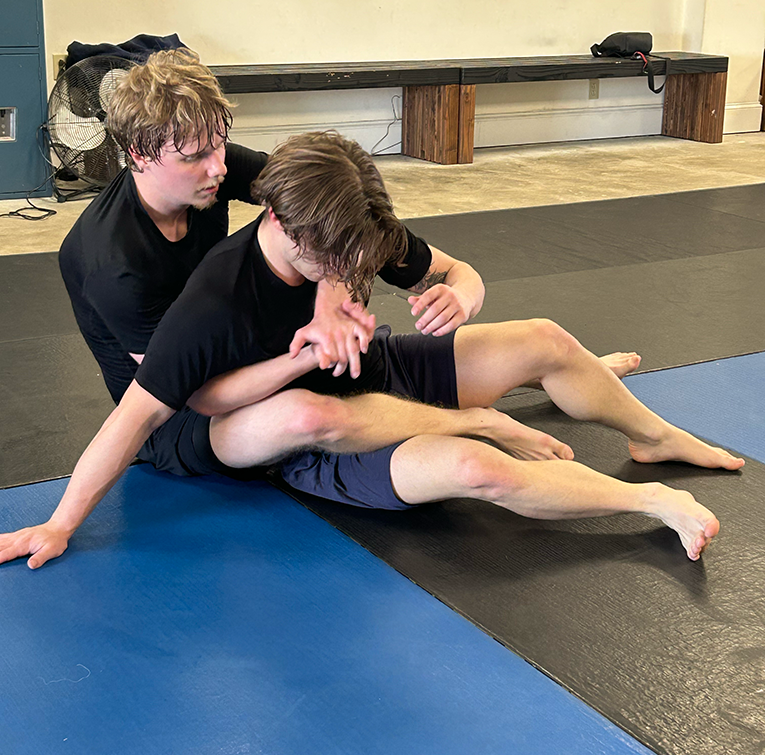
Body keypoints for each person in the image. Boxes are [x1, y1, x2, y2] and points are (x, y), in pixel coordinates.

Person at [0, 132, 743, 572]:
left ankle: (653, 438)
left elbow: (450, 271)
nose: (358, 269)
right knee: (470, 464)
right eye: (340, 264)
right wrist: (61, 523)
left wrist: (463, 293)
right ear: (290, 232)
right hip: (302, 425)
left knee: (545, 338)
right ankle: (643, 496)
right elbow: (134, 419)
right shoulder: (212, 302)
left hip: (368, 369)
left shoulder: (342, 215)